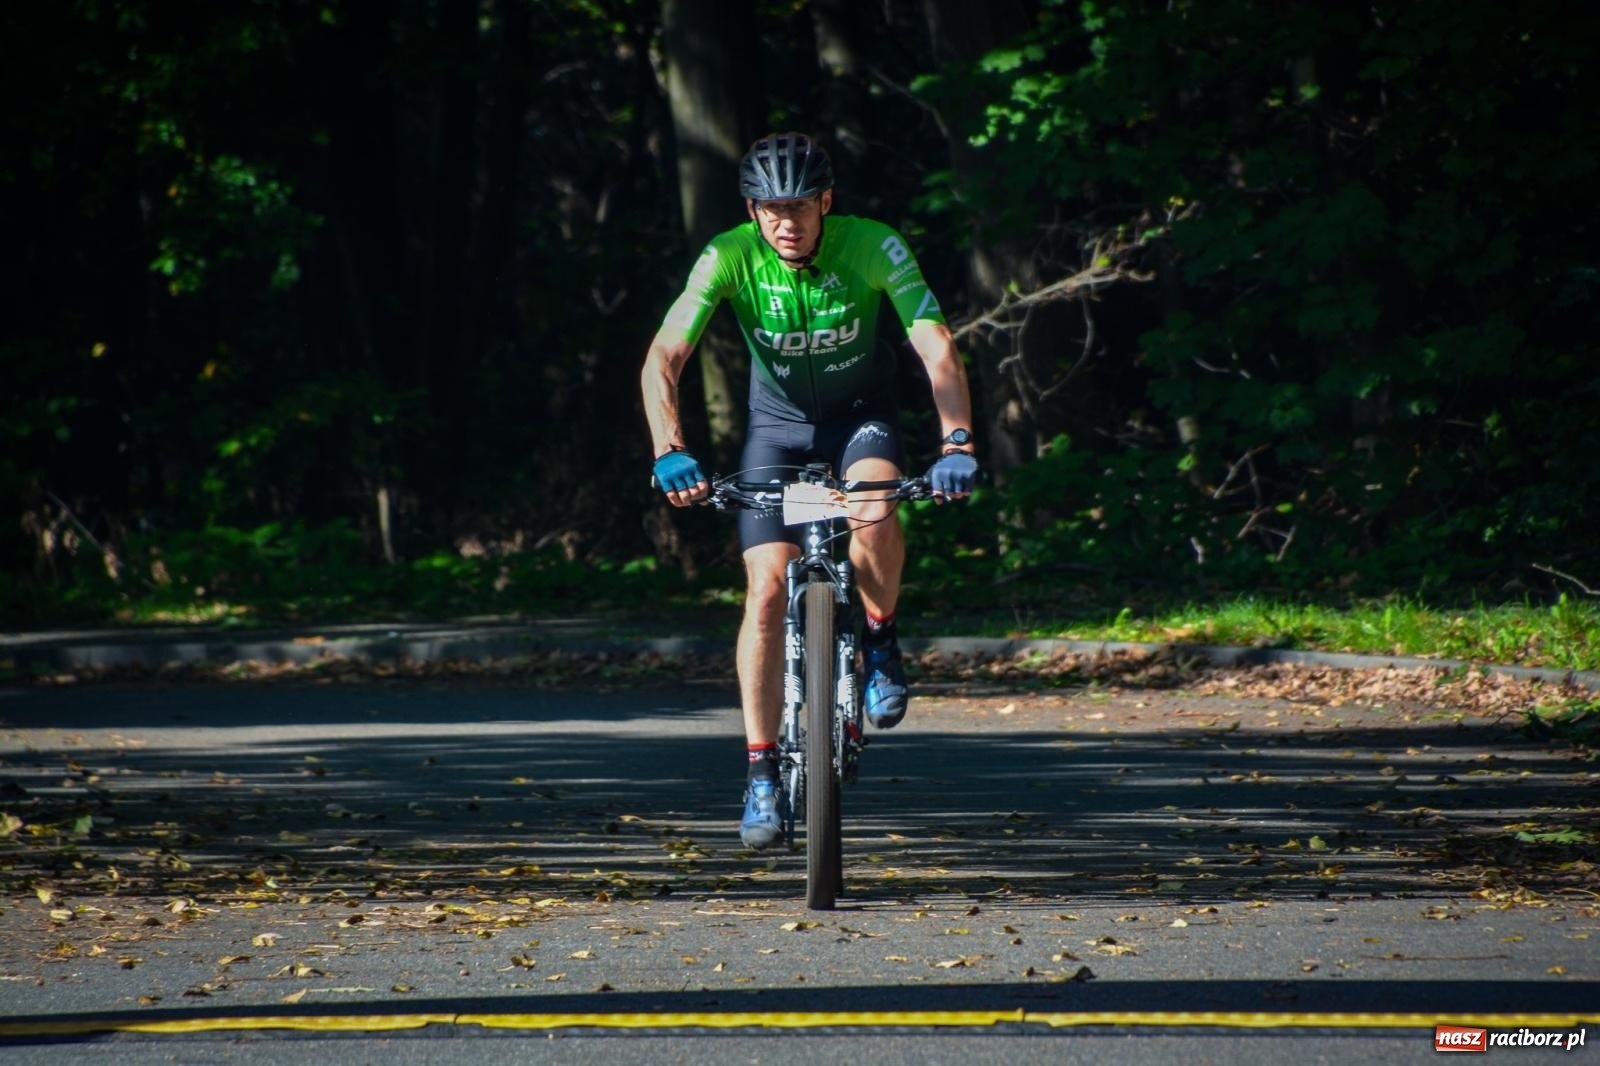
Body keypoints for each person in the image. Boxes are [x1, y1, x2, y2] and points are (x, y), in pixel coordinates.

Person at [640, 132, 978, 849]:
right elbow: (666, 354)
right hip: (778, 430)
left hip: (862, 418)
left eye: (798, 206)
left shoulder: (874, 244)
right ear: (752, 211)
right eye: (769, 209)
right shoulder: (727, 254)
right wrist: (669, 448)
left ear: (827, 202)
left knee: (875, 507)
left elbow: (934, 340)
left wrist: (956, 441)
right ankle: (762, 774)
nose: (785, 222)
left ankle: (881, 642)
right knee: (765, 591)